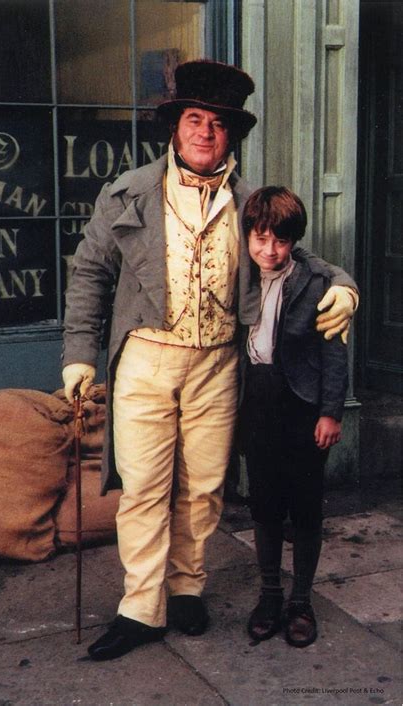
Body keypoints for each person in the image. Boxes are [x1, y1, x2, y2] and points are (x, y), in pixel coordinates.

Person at [61, 60, 358, 661]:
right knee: (144, 488)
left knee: (202, 487)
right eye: (194, 119)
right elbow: (89, 272)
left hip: (219, 363)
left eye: (218, 124)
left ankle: (187, 587)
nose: (204, 132)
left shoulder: (251, 203)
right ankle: (141, 608)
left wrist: (345, 287)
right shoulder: (128, 192)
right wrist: (78, 355)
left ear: (233, 136)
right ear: (175, 127)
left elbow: (304, 257)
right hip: (147, 358)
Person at [239, 186, 349, 648]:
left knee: (304, 506)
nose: (270, 250)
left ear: (293, 242)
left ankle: (301, 600)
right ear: (248, 237)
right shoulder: (238, 274)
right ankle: (269, 594)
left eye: (280, 242)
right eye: (261, 239)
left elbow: (334, 355)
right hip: (256, 404)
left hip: (302, 407)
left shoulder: (317, 282)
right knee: (264, 505)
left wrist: (330, 413)